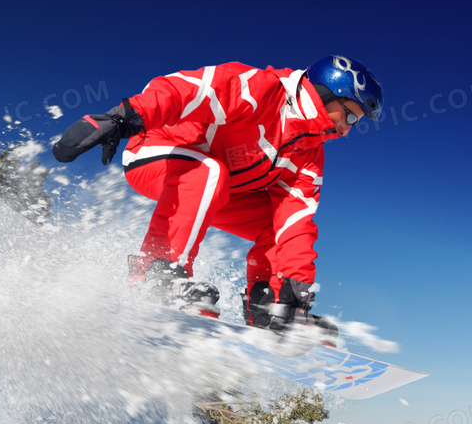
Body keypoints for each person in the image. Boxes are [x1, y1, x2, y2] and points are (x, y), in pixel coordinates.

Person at [52, 55, 384, 337]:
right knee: (209, 171)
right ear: (327, 93)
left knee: (275, 223)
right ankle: (156, 277)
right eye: (351, 116)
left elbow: (295, 219)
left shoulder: (309, 151)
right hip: (157, 152)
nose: (348, 129)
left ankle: (266, 308)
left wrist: (295, 289)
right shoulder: (261, 90)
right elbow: (187, 91)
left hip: (214, 188)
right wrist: (124, 117)